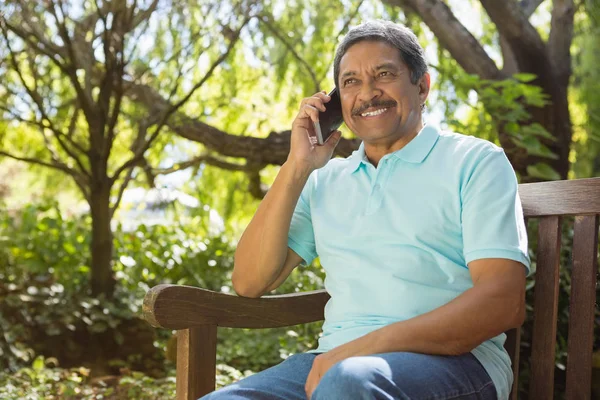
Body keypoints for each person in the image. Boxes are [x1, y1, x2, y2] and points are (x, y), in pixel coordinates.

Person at [202, 20, 529, 400]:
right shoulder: (326, 180)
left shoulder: (474, 161)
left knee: (349, 382)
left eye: (384, 74)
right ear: (336, 102)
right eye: (350, 82)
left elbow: (503, 301)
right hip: (332, 363)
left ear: (422, 86)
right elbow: (250, 281)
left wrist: (359, 350)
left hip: (456, 364)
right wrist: (297, 166)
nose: (368, 93)